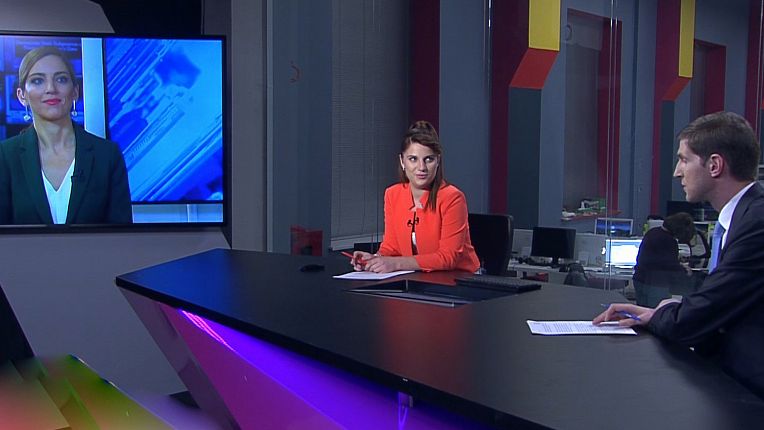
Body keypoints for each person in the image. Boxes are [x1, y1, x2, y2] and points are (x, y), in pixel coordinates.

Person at [594, 111, 764, 399]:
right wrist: (664, 311)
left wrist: (661, 315)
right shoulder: (742, 218)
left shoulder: (756, 222)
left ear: (714, 165)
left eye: (684, 159)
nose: (676, 172)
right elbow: (725, 299)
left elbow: (704, 313)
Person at [0, 46, 132, 225]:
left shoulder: (107, 155)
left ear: (75, 91)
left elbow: (122, 235)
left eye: (61, 79)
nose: (51, 88)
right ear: (22, 96)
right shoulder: (5, 156)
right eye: (38, 81)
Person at [352, 121, 480, 273]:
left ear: (438, 161)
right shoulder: (392, 194)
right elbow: (391, 248)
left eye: (429, 159)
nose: (421, 167)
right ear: (402, 161)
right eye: (413, 159)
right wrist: (374, 259)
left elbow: (448, 257)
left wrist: (396, 264)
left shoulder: (452, 198)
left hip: (458, 278)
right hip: (417, 278)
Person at [632, 212, 695, 306]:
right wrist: (685, 270)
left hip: (640, 278)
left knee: (642, 310)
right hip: (656, 284)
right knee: (657, 311)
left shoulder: (652, 232)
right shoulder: (669, 241)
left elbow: (658, 261)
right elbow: (669, 267)